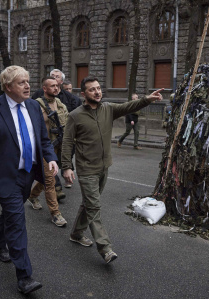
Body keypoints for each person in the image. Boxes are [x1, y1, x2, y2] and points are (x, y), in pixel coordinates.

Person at [0, 65, 58, 294]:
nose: (28, 86)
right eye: (21, 82)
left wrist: (51, 158)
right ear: (8, 87)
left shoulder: (33, 106)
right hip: (3, 175)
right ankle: (24, 276)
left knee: (11, 212)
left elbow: (43, 139)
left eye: (28, 81)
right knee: (17, 220)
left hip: (27, 173)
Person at [62, 76, 163, 263]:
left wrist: (146, 100)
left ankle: (76, 234)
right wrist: (67, 167)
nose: (97, 92)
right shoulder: (75, 115)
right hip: (86, 169)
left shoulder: (108, 109)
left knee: (89, 204)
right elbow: (67, 142)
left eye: (99, 88)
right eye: (92, 89)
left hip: (104, 167)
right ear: (84, 94)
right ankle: (105, 248)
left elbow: (128, 107)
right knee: (94, 206)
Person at [27, 76, 68, 227]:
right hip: (43, 148)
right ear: (44, 88)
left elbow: (67, 125)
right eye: (52, 86)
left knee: (46, 176)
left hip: (58, 146)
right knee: (50, 179)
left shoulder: (61, 105)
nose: (56, 88)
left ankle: (32, 196)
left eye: (57, 86)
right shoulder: (36, 105)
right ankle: (55, 213)